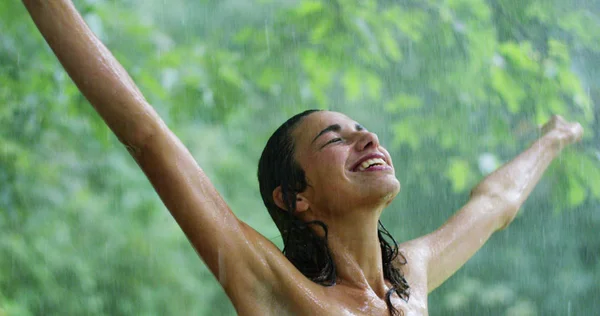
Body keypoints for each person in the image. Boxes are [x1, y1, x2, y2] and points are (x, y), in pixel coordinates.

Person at [22, 1, 584, 315]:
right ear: (294, 197)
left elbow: (495, 203)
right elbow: (148, 136)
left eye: (364, 129)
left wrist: (554, 138)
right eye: (335, 139)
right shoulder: (273, 287)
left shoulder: (411, 278)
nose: (367, 139)